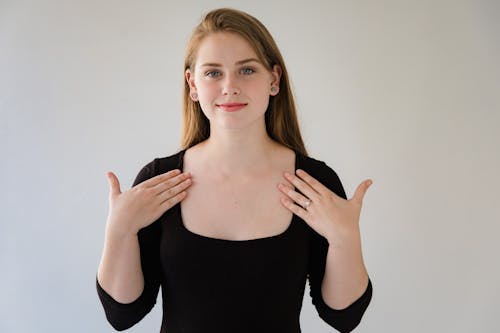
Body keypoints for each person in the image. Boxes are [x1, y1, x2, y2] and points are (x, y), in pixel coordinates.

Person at [96, 7, 373, 333]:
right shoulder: (160, 182)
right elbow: (123, 315)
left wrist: (345, 238)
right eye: (213, 73)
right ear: (193, 84)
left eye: (247, 70)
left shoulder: (312, 184)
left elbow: (343, 317)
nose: (230, 86)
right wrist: (119, 231)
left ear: (274, 80)